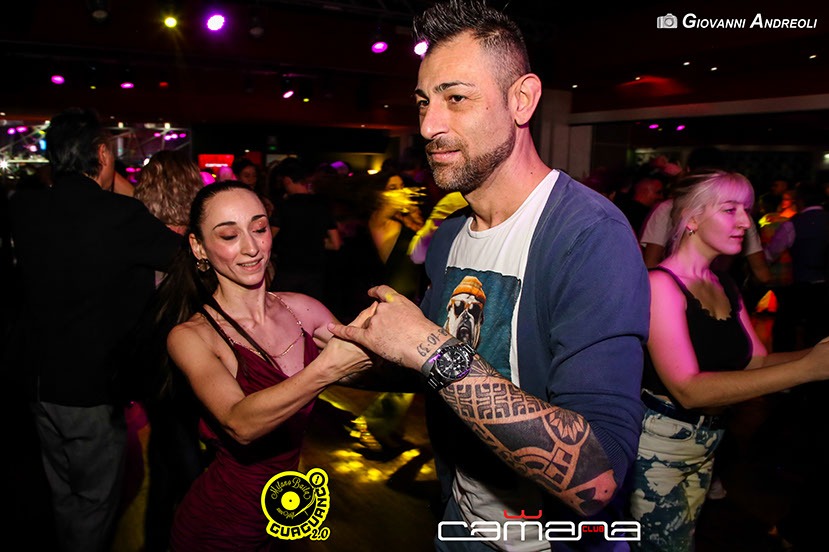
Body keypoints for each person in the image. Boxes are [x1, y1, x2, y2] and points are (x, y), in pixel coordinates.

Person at [329, 1, 650, 550]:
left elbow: (598, 475)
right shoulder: (450, 235)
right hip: (460, 525)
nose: (429, 125)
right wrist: (346, 357)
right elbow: (441, 375)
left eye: (456, 98)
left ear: (522, 99)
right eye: (424, 102)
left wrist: (429, 347)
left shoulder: (588, 236)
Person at [152, 180, 372, 550]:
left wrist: (403, 341)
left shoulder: (303, 309)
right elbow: (240, 423)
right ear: (198, 246)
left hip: (285, 510)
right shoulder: (192, 336)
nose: (252, 248)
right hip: (221, 524)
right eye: (229, 235)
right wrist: (327, 368)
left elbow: (363, 368)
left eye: (259, 228)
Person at [6, 107, 182, 552]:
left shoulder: (24, 207)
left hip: (35, 380)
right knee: (95, 503)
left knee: (63, 492)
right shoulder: (122, 216)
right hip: (89, 386)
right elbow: (182, 257)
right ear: (103, 154)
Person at [628, 170, 829, 551]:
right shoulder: (661, 285)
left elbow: (755, 362)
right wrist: (808, 369)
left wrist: (818, 354)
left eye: (747, 210)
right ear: (691, 219)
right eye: (730, 209)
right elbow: (689, 390)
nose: (746, 222)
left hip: (708, 443)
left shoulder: (723, 284)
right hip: (659, 448)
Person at [132, 149, 206, 552]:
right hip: (194, 362)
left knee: (164, 457)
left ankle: (159, 540)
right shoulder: (199, 243)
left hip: (153, 366)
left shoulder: (133, 237)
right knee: (187, 456)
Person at [268, 157, 341, 300]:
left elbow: (268, 238)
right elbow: (336, 244)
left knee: (278, 309)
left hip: (288, 271)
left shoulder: (284, 206)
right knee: (311, 311)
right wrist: (315, 242)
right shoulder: (322, 205)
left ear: (287, 180)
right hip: (315, 274)